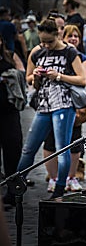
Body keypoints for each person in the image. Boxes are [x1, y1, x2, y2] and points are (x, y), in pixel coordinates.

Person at [17, 19, 86, 198]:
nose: (46, 45)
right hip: (43, 105)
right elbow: (28, 79)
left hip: (64, 105)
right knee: (29, 148)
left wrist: (58, 76)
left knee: (62, 149)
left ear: (58, 35)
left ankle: (59, 188)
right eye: (43, 42)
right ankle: (15, 186)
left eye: (50, 41)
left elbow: (82, 79)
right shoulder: (38, 52)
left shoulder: (69, 52)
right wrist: (35, 76)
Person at [43, 24, 86, 192]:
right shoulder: (50, 54)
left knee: (74, 141)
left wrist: (59, 77)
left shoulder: (80, 57)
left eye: (76, 36)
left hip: (74, 105)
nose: (73, 39)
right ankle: (54, 178)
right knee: (51, 141)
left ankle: (72, 176)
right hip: (51, 104)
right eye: (70, 35)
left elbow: (84, 80)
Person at [0, 34, 25, 206]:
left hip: (9, 112)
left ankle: (12, 192)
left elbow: (22, 73)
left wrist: (11, 77)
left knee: (12, 151)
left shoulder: (9, 55)